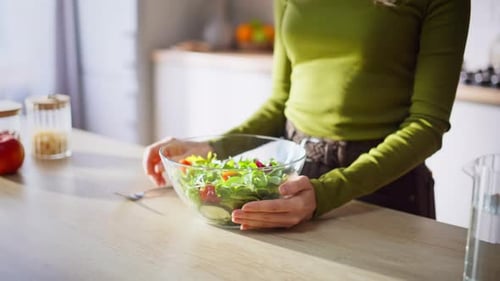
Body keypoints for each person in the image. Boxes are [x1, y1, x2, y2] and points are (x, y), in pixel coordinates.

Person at [143, 0, 470, 230]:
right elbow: (281, 102)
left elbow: (428, 124)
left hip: (384, 186)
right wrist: (211, 148)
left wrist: (327, 193)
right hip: (298, 177)